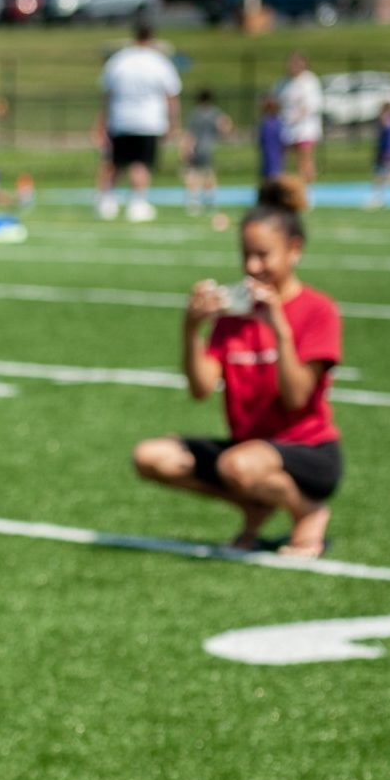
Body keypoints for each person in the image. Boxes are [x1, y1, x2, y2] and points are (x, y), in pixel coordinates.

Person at [131, 178, 341, 558]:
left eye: (263, 256)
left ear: (294, 250)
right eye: (246, 255)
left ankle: (308, 511)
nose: (251, 266)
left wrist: (279, 328)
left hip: (308, 450)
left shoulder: (317, 310)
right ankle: (255, 503)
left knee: (236, 465)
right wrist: (192, 327)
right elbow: (200, 389)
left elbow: (296, 399)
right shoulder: (233, 317)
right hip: (246, 451)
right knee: (151, 456)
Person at [95, 20, 180, 222]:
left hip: (121, 118)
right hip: (149, 121)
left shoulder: (119, 60)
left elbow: (107, 94)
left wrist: (102, 122)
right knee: (141, 164)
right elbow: (171, 96)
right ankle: (137, 203)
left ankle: (108, 202)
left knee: (116, 162)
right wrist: (173, 123)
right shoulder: (159, 62)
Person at [180, 88, 232, 214]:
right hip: (208, 147)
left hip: (197, 147)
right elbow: (225, 124)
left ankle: (195, 202)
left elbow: (190, 134)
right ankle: (210, 200)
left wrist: (186, 149)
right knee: (208, 173)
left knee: (194, 174)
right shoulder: (214, 113)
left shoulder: (196, 114)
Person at [279, 52, 323, 184]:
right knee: (284, 160)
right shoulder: (283, 83)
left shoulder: (310, 81)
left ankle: (307, 189)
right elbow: (277, 101)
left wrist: (299, 115)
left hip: (305, 128)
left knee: (304, 160)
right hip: (286, 127)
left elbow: (313, 104)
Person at [257, 93, 286, 183]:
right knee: (273, 173)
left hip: (273, 154)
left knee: (272, 174)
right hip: (273, 153)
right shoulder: (277, 122)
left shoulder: (267, 123)